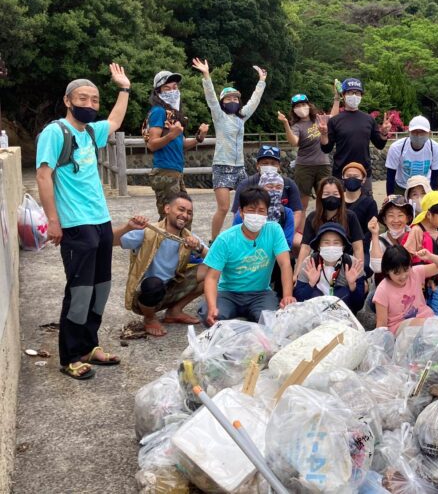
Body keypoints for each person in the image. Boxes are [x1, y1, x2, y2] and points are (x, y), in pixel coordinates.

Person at [36, 64, 131, 380]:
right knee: (79, 292)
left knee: (100, 289)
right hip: (75, 225)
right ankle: (70, 355)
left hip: (100, 221)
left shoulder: (91, 131)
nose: (88, 104)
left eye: (94, 100)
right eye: (82, 99)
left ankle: (90, 344)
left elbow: (115, 121)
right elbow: (43, 174)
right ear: (67, 100)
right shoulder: (55, 132)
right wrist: (53, 220)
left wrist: (124, 88)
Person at [191, 58, 267, 242]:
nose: (232, 101)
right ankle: (214, 240)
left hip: (239, 166)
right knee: (224, 207)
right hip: (222, 166)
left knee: (247, 203)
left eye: (235, 98)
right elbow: (210, 98)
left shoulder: (241, 118)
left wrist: (261, 81)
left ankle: (243, 236)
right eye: (228, 98)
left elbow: (254, 101)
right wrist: (206, 75)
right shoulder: (219, 116)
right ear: (223, 102)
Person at [200, 187, 296, 325]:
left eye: (261, 211)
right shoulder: (225, 239)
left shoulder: (274, 230)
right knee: (210, 317)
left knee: (272, 321)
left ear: (267, 213)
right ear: (241, 211)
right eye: (251, 210)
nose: (256, 215)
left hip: (260, 293)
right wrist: (212, 306)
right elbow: (212, 277)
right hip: (228, 293)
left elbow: (285, 264)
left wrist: (287, 296)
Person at [115, 193, 207, 337]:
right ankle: (149, 318)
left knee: (210, 271)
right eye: (181, 209)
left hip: (171, 288)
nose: (185, 215)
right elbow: (112, 241)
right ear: (167, 209)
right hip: (145, 294)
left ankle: (175, 311)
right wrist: (128, 227)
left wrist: (198, 248)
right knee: (153, 284)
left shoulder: (188, 237)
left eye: (189, 213)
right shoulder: (148, 232)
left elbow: (214, 259)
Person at [145, 70, 209, 221]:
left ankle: (174, 245)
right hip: (165, 172)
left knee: (182, 217)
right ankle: (156, 243)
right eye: (167, 88)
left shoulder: (173, 115)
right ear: (158, 92)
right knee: (172, 219)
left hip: (175, 172)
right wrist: (171, 135)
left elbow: (181, 145)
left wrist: (199, 138)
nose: (173, 91)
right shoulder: (158, 112)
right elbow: (152, 144)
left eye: (175, 87)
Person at [319, 77, 391, 194]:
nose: (354, 95)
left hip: (364, 173)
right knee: (341, 208)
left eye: (357, 93)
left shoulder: (369, 119)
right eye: (351, 92)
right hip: (340, 173)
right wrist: (323, 134)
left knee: (365, 206)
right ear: (343, 95)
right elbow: (326, 148)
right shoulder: (335, 120)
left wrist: (383, 133)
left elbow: (379, 144)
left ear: (361, 96)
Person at [279, 92, 338, 230]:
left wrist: (336, 98)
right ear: (293, 110)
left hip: (323, 165)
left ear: (309, 105)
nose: (301, 107)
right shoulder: (296, 126)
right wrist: (286, 124)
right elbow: (294, 142)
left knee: (326, 199)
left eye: (303, 104)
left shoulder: (319, 119)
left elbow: (334, 116)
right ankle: (303, 233)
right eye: (297, 106)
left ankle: (326, 228)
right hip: (304, 166)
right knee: (302, 203)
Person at [231, 145, 303, 245]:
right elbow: (237, 213)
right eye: (265, 163)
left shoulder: (289, 184)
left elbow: (297, 212)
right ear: (257, 165)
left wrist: (286, 232)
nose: (269, 166)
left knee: (298, 242)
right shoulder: (246, 184)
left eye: (273, 164)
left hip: (283, 225)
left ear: (279, 166)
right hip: (252, 225)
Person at [295, 177, 365, 275]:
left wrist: (360, 273)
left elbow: (358, 247)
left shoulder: (350, 216)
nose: (331, 197)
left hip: (345, 264)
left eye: (335, 194)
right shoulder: (313, 218)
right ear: (320, 196)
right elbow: (305, 247)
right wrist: (297, 273)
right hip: (318, 265)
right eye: (326, 194)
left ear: (341, 195)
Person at [374, 245, 438, 335]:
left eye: (406, 270)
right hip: (400, 329)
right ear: (387, 271)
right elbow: (381, 325)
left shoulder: (415, 273)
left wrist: (430, 256)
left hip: (426, 321)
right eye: (397, 273)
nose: (403, 276)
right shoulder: (382, 290)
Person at [403, 191, 438, 315]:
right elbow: (406, 255)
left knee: (435, 313)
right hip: (420, 284)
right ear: (429, 214)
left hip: (436, 284)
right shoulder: (417, 231)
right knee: (418, 312)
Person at [294, 223, 366, 312]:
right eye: (326, 242)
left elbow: (358, 305)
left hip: (343, 316)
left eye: (336, 243)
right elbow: (298, 299)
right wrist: (310, 284)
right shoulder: (309, 263)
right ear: (319, 246)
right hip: (314, 315)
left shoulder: (352, 264)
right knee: (315, 295)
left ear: (343, 247)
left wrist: (352, 286)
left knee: (343, 293)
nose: (331, 247)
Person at [385, 115, 438, 196]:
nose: (418, 135)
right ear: (409, 132)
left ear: (429, 133)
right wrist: (390, 197)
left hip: (424, 187)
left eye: (422, 132)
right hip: (402, 187)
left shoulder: (435, 148)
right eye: (415, 131)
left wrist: (433, 199)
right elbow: (390, 176)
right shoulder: (397, 147)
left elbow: (435, 178)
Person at [342, 162, 378, 246]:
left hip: (361, 246)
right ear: (343, 177)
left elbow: (369, 231)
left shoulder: (370, 203)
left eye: (356, 176)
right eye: (348, 176)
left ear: (363, 179)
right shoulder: (336, 200)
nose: (352, 179)